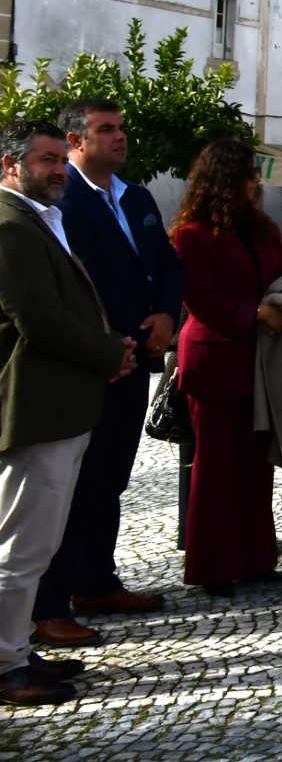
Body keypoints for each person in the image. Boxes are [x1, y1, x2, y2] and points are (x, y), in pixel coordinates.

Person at [31, 99, 181, 646]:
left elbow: (165, 261)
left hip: (135, 358)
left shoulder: (136, 195)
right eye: (106, 130)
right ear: (76, 142)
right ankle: (52, 599)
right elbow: (84, 277)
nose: (120, 137)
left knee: (111, 477)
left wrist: (166, 313)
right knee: (72, 484)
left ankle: (96, 580)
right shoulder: (62, 199)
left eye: (121, 128)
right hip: (94, 360)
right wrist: (137, 330)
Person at [0, 121, 135, 707]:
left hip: (60, 404)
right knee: (21, 545)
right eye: (45, 160)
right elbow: (42, 318)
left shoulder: (35, 219)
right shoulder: (10, 226)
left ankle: (15, 648)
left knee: (38, 541)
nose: (57, 170)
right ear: (10, 166)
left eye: (59, 159)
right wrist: (110, 352)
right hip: (36, 409)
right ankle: (5, 665)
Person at [172, 137, 282, 594]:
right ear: (227, 178)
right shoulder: (191, 234)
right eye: (249, 172)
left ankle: (257, 557)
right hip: (215, 360)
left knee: (256, 463)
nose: (256, 181)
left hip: (260, 362)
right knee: (215, 468)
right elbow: (199, 297)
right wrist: (255, 315)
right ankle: (212, 566)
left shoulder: (263, 229)